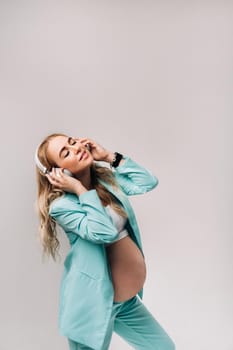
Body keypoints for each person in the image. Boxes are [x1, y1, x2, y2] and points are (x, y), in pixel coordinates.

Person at [34, 132, 175, 350]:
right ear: (57, 173)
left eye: (72, 142)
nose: (76, 148)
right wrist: (80, 190)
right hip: (95, 306)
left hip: (125, 304)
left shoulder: (105, 182)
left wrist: (109, 157)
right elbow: (103, 232)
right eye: (66, 152)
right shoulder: (62, 207)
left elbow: (147, 182)